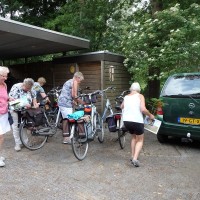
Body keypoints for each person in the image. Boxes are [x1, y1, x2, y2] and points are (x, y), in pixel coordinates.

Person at [121, 82, 154, 167]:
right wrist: (150, 115)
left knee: (133, 137)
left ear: (131, 89)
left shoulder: (126, 97)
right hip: (137, 121)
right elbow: (143, 109)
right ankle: (135, 159)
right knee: (140, 140)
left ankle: (132, 156)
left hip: (127, 121)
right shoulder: (140, 96)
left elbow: (121, 106)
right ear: (139, 90)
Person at [9, 78, 39, 151]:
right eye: (26, 88)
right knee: (16, 126)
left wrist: (35, 103)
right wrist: (24, 104)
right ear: (23, 84)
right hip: (15, 109)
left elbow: (34, 96)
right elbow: (12, 101)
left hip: (25, 110)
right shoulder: (16, 87)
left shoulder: (32, 87)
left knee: (24, 126)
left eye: (29, 88)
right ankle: (18, 143)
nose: (28, 90)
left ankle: (25, 142)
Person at [58, 72, 85, 144]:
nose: (80, 82)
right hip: (65, 103)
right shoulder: (74, 82)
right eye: (80, 80)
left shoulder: (69, 81)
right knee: (68, 119)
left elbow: (69, 94)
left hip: (63, 102)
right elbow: (74, 95)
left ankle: (68, 137)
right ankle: (66, 138)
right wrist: (81, 102)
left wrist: (74, 101)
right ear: (77, 77)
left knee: (67, 119)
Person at [0, 66, 11, 167]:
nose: (5, 78)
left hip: (4, 113)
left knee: (2, 136)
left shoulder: (4, 85)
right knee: (0, 136)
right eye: (3, 76)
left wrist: (10, 99)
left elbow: (5, 97)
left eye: (6, 76)